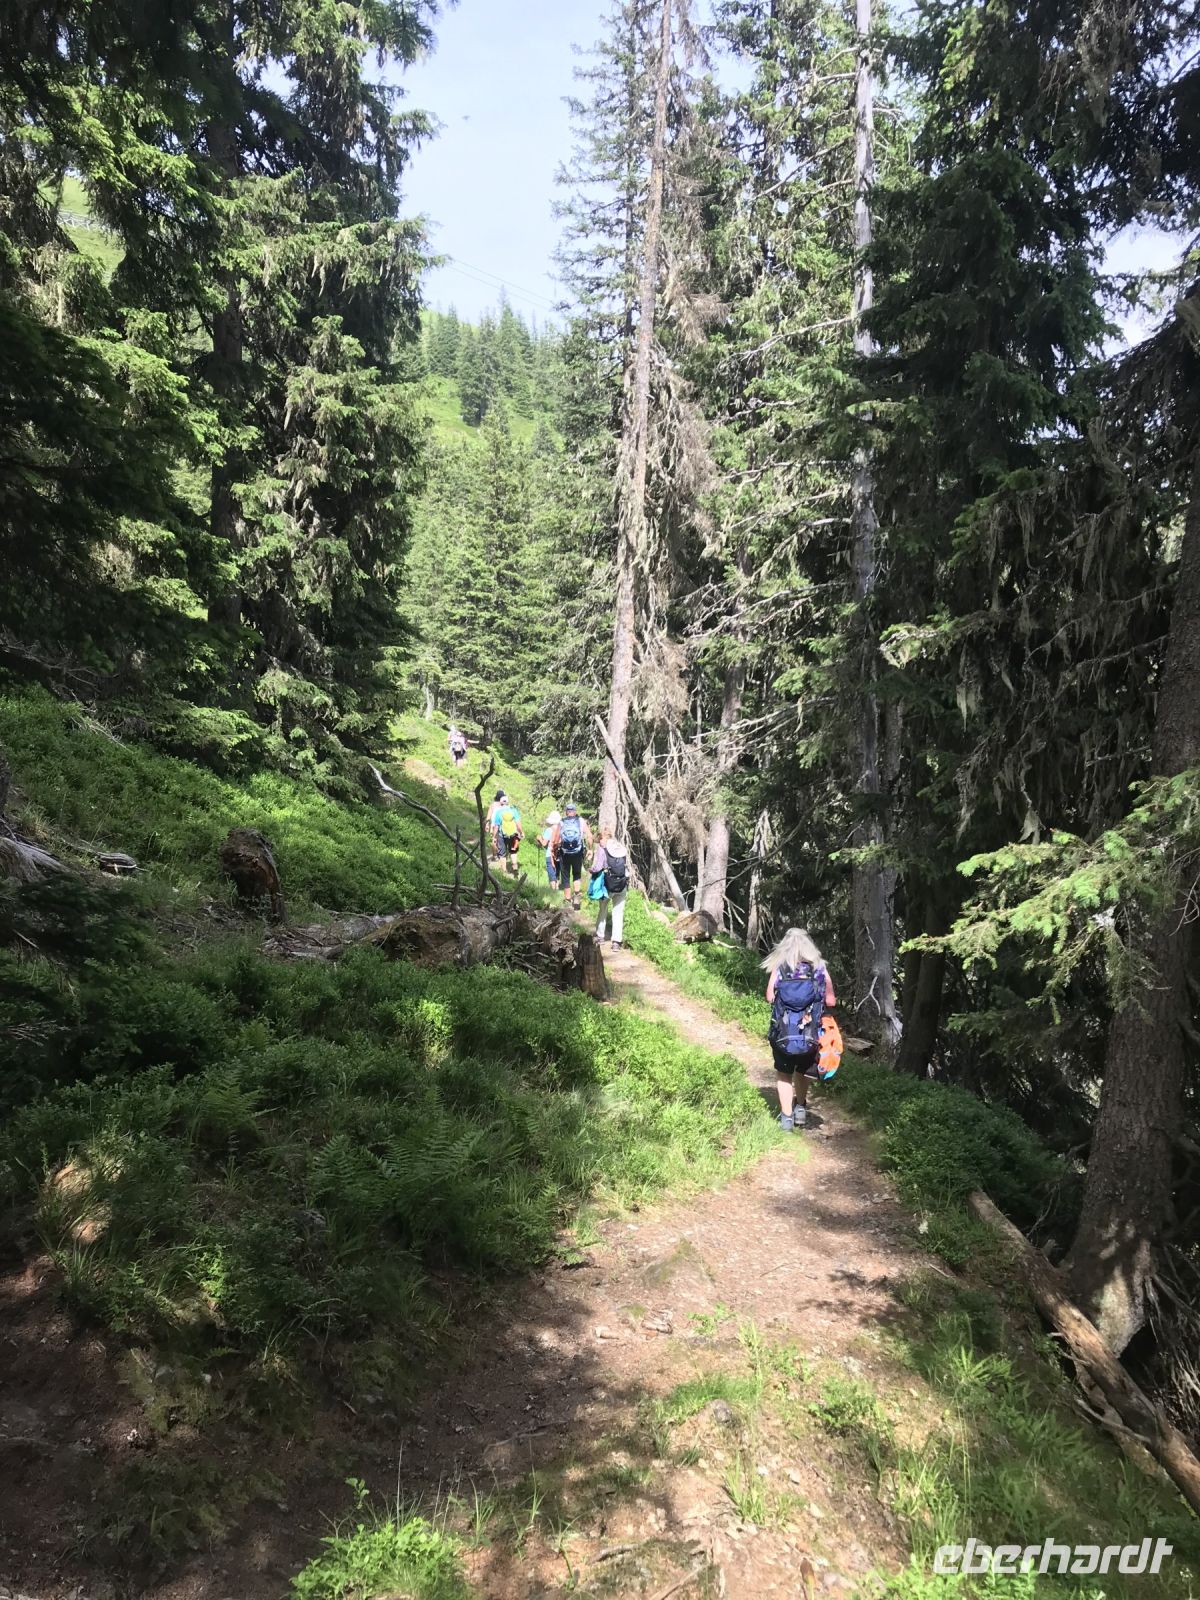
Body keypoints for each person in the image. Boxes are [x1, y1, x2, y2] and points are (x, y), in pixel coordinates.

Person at [762, 927, 837, 1131]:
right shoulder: (819, 968)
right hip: (810, 1032)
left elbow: (770, 997)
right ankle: (801, 1109)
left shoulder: (781, 967)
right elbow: (831, 1000)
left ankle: (786, 1119)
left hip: (783, 1031)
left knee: (784, 1073)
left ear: (784, 946)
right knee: (802, 1070)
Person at [552, 801, 593, 910]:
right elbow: (589, 836)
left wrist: (555, 849)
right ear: (575, 812)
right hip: (577, 852)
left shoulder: (561, 822)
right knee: (576, 874)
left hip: (564, 853)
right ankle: (576, 897)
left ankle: (567, 900)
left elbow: (556, 839)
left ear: (566, 812)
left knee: (565, 876)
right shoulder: (580, 821)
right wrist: (590, 849)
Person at [592, 828, 629, 948]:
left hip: (607, 886)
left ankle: (600, 936)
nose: (599, 842)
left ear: (603, 838)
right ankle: (616, 942)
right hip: (622, 885)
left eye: (600, 840)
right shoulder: (620, 848)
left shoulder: (603, 849)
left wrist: (591, 870)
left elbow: (597, 867)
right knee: (618, 912)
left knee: (603, 909)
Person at [498, 796, 524, 876]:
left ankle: (504, 871)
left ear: (500, 803)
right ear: (508, 802)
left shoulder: (498, 811)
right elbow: (518, 823)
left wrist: (494, 836)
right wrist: (521, 832)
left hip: (502, 834)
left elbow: (496, 825)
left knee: (502, 853)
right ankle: (515, 868)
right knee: (513, 851)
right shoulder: (513, 810)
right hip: (513, 834)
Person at [537, 811, 561, 891]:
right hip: (560, 854)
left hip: (550, 854)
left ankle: (553, 891)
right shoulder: (561, 829)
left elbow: (544, 844)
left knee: (551, 872)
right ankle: (557, 888)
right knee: (557, 871)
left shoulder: (549, 830)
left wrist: (539, 838)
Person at [488, 791, 507, 863]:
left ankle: (495, 856)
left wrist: (487, 824)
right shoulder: (504, 804)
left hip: (493, 825)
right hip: (502, 825)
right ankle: (501, 854)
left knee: (494, 840)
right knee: (501, 840)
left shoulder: (493, 805)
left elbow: (489, 816)